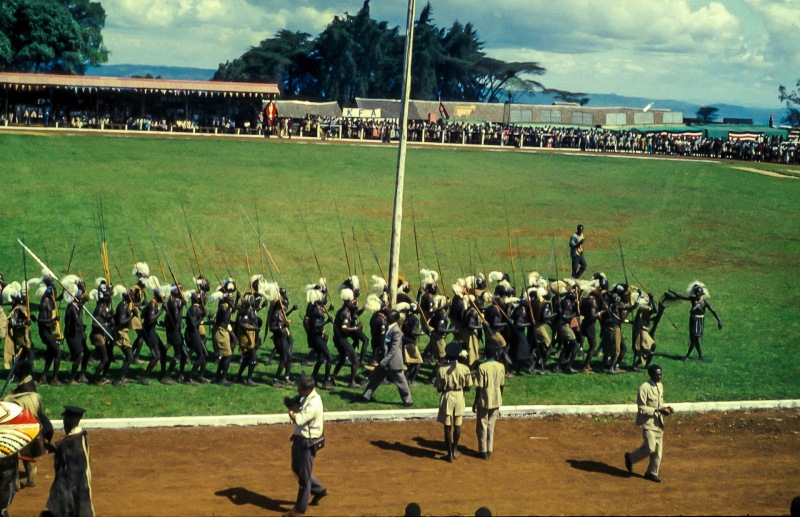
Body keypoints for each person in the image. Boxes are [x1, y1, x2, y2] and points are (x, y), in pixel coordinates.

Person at [284, 375, 327, 517]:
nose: (297, 390)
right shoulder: (305, 397)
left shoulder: (313, 403)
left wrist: (291, 411)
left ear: (308, 389)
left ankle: (300, 509)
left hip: (307, 442)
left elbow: (299, 420)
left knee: (304, 477)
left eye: (299, 388)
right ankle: (320, 490)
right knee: (297, 468)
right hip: (300, 439)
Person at [624, 364, 673, 483]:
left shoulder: (660, 386)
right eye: (657, 375)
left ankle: (651, 472)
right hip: (647, 423)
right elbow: (641, 408)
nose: (660, 377)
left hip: (658, 423)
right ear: (651, 375)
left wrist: (666, 408)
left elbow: (659, 403)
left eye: (661, 374)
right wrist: (657, 410)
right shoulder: (644, 388)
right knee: (650, 447)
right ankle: (630, 458)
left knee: (658, 451)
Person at [45, 405, 94, 516]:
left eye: (65, 420)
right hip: (80, 486)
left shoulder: (70, 442)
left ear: (73, 420)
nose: (64, 423)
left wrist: (55, 448)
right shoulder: (82, 435)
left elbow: (65, 450)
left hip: (70, 488)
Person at [361, 309, 413, 406]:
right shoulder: (390, 327)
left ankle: (408, 400)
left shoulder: (397, 331)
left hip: (393, 362)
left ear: (394, 319)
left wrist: (384, 361)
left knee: (401, 381)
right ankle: (366, 395)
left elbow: (393, 349)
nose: (386, 316)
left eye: (389, 315)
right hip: (385, 360)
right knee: (376, 378)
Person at [434, 341, 473, 462]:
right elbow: (469, 387)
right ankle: (455, 449)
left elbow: (439, 388)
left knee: (447, 426)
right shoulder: (465, 369)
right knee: (457, 425)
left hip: (447, 395)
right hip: (459, 395)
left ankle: (449, 453)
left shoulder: (442, 369)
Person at [666, 281, 722, 361]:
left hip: (699, 321)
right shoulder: (693, 299)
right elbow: (682, 296)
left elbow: (713, 311)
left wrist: (719, 320)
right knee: (694, 338)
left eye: (698, 295)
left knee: (694, 339)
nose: (697, 296)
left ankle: (687, 356)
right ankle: (700, 355)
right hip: (692, 320)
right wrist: (673, 292)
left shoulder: (704, 302)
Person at [473, 344, 505, 460]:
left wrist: (475, 402)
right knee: (491, 424)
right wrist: (500, 397)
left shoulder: (482, 367)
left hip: (484, 398)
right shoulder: (501, 366)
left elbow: (479, 387)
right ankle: (489, 448)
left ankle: (483, 450)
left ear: (485, 354)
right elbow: (502, 385)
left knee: (482, 424)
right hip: (496, 398)